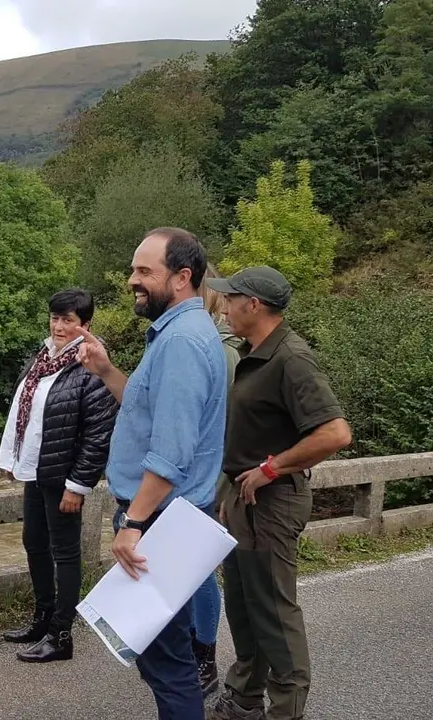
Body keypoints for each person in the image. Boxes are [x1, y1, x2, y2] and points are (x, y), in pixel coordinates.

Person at [77, 227, 229, 719]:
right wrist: (106, 370)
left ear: (182, 277)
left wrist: (134, 523)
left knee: (168, 662)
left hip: (160, 519)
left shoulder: (182, 341)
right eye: (133, 269)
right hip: (164, 515)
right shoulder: (178, 332)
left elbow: (172, 452)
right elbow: (146, 412)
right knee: (159, 652)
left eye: (144, 271)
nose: (132, 280)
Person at [205, 267, 352, 720]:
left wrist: (272, 468)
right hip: (243, 499)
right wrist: (229, 492)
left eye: (231, 299)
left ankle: (287, 710)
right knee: (244, 606)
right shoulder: (253, 353)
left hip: (273, 502)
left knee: (273, 611)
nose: (224, 307)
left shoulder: (291, 358)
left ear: (254, 305)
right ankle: (244, 697)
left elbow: (335, 433)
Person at [0, 288, 119, 663]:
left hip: (64, 475)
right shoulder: (43, 357)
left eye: (68, 320)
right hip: (36, 468)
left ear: (86, 325)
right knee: (34, 541)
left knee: (65, 553)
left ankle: (62, 635)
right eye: (55, 318)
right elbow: (27, 410)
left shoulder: (90, 367)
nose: (59, 326)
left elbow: (98, 434)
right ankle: (43, 619)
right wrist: (12, 458)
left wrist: (78, 485)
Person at [187, 267, 247, 698]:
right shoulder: (203, 342)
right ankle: (192, 652)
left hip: (210, 477)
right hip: (197, 474)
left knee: (199, 568)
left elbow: (221, 425)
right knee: (188, 567)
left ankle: (204, 659)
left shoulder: (222, 352)